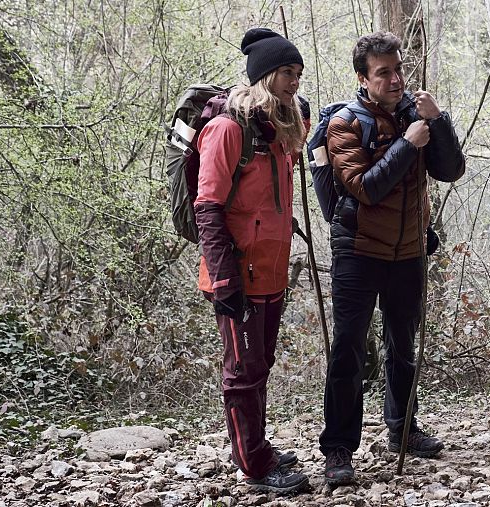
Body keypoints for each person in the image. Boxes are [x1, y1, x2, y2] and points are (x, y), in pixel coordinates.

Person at [319, 31, 465, 486]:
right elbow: (365, 187)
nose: (396, 78)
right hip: (359, 252)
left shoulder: (413, 115)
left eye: (399, 69)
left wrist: (436, 122)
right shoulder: (343, 123)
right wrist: (408, 142)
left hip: (410, 251)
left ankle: (403, 428)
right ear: (364, 78)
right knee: (348, 350)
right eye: (384, 72)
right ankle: (339, 450)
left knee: (403, 346)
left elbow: (452, 170)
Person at [194, 28, 310, 495]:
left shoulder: (280, 131)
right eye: (286, 72)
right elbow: (208, 207)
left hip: (272, 272)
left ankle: (257, 447)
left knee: (259, 363)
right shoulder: (228, 129)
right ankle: (256, 467)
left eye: (298, 73)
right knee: (243, 371)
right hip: (236, 276)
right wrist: (224, 280)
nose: (294, 82)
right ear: (264, 75)